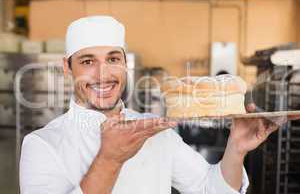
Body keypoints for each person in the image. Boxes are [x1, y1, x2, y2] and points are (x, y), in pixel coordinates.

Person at [19, 16, 293, 194]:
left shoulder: (154, 129)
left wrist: (236, 149)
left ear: (124, 64)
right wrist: (109, 160)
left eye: (113, 59)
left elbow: (209, 189)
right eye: (88, 62)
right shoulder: (42, 144)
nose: (103, 74)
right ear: (67, 68)